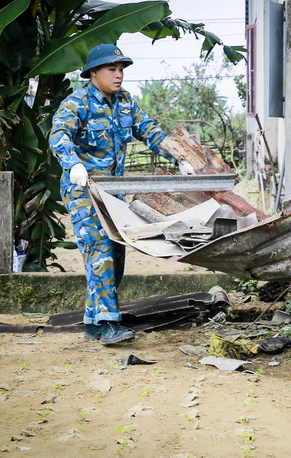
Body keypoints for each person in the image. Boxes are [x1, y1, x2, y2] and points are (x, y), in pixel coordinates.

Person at [49, 44, 191, 345]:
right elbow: (58, 135)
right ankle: (107, 322)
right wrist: (72, 164)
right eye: (112, 69)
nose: (119, 75)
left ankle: (96, 322)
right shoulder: (77, 103)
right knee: (99, 251)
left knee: (116, 253)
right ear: (93, 73)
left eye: (122, 69)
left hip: (113, 192)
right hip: (83, 190)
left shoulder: (125, 102)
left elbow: (149, 131)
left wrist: (178, 156)